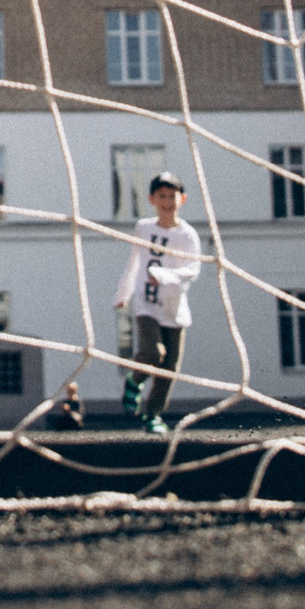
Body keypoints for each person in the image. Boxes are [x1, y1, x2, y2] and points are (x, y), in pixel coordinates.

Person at [112, 174, 203, 434]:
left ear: (182, 199)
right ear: (152, 199)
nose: (167, 201)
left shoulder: (187, 235)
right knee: (152, 352)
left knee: (169, 368)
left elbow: (192, 269)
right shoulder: (144, 228)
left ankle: (152, 415)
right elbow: (134, 262)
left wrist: (166, 276)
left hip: (173, 307)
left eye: (171, 196)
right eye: (161, 196)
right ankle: (134, 379)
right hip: (146, 303)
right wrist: (124, 293)